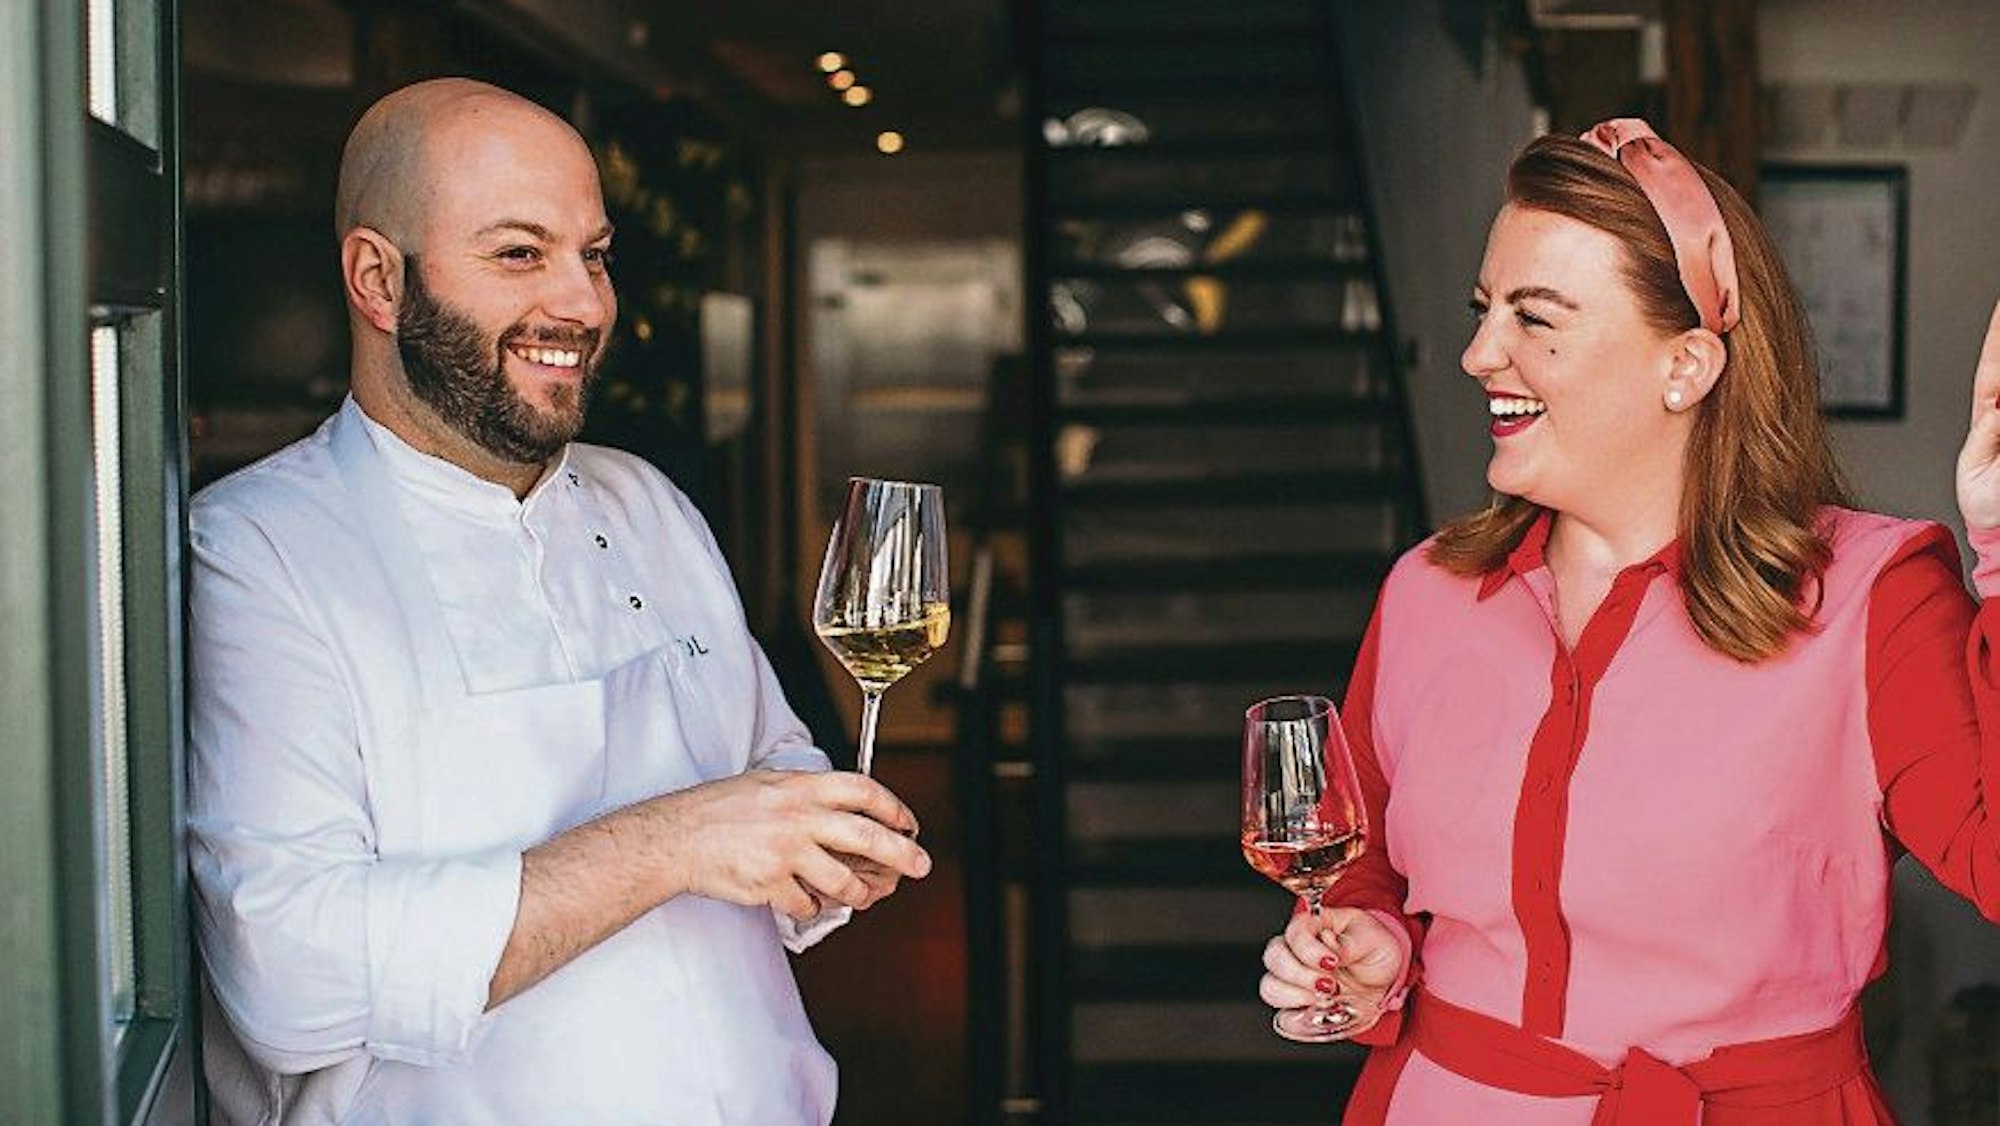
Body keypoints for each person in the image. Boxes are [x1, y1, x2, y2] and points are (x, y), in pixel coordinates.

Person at [188, 77, 931, 1125]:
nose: (583, 303)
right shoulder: (257, 549)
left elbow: (766, 759)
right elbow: (290, 982)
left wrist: (812, 843)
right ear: (378, 279)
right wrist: (675, 841)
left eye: (595, 254)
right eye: (519, 253)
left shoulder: (647, 501)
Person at [1256, 117, 2000, 1122]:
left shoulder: (1874, 595)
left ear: (1684, 366)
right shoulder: (1425, 592)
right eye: (1484, 310)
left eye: (1535, 319)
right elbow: (1364, 865)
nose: (1478, 353)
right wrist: (1369, 946)